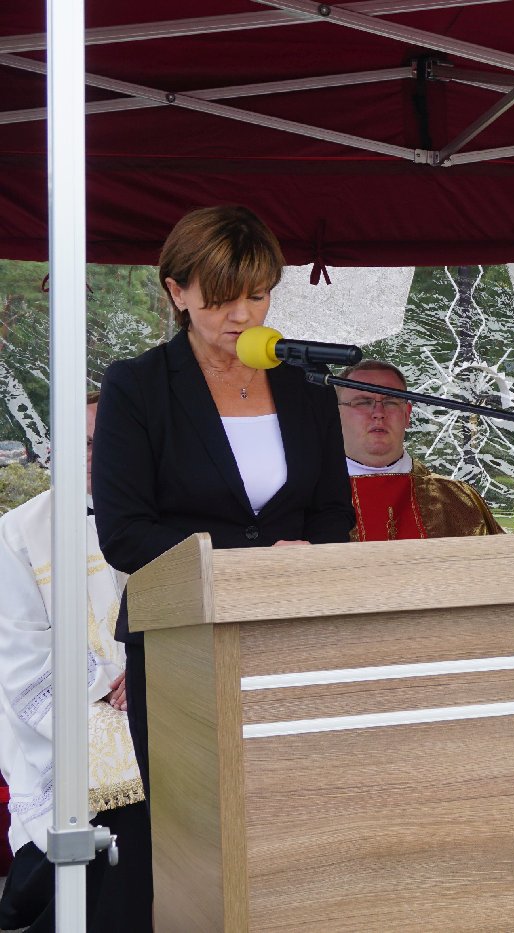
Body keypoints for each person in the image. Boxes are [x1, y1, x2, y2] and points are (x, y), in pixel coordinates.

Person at [92, 205, 355, 793]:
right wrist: (252, 563)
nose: (243, 316)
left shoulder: (306, 382)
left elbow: (334, 510)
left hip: (293, 629)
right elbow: (125, 534)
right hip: (180, 638)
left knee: (302, 803)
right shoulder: (138, 386)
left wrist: (309, 564)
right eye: (220, 300)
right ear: (177, 292)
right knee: (195, 815)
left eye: (258, 297)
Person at [0, 391, 152, 933]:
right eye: (83, 443)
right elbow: (17, 652)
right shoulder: (19, 532)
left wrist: (151, 673)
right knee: (126, 771)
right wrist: (107, 686)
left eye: (107, 441)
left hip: (167, 692)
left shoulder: (164, 518)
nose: (95, 455)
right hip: (69, 710)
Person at [336, 359, 502, 540]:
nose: (379, 413)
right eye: (363, 402)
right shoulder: (317, 500)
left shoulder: (457, 500)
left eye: (391, 401)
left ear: (407, 414)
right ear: (335, 415)